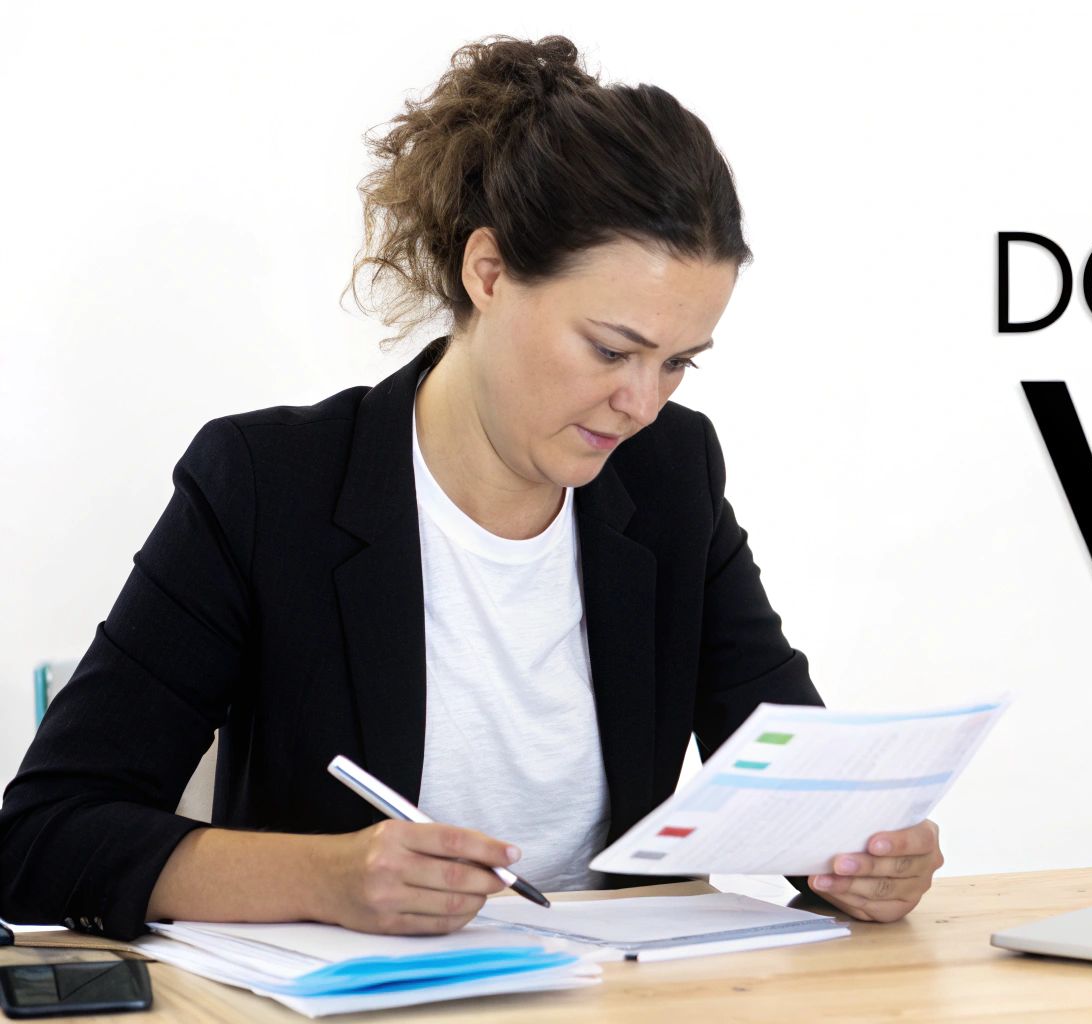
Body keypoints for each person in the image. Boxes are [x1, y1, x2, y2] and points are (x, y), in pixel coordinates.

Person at [0, 33, 942, 940]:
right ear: (487, 272)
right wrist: (326, 879)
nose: (641, 402)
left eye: (678, 363)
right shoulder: (264, 486)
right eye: (613, 350)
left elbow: (800, 784)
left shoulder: (671, 477)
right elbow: (43, 835)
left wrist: (864, 856)